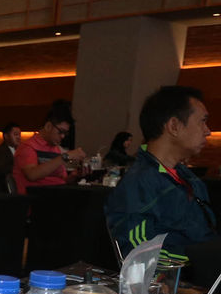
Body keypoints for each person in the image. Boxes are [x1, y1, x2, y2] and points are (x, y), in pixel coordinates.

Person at [106, 85, 216, 261]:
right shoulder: (139, 183)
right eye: (202, 121)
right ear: (174, 126)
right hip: (181, 283)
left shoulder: (188, 178)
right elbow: (140, 254)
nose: (208, 131)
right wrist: (204, 259)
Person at [12, 100, 87, 195]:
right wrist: (65, 156)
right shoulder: (28, 147)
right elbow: (32, 175)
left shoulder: (55, 149)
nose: (63, 136)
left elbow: (61, 180)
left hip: (55, 197)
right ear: (48, 126)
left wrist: (74, 176)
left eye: (65, 133)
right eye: (60, 131)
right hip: (36, 201)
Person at [0, 122, 20, 193]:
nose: (18, 137)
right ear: (6, 136)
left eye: (19, 135)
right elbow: (0, 170)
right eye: (15, 134)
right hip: (5, 188)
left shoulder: (20, 149)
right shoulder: (0, 151)